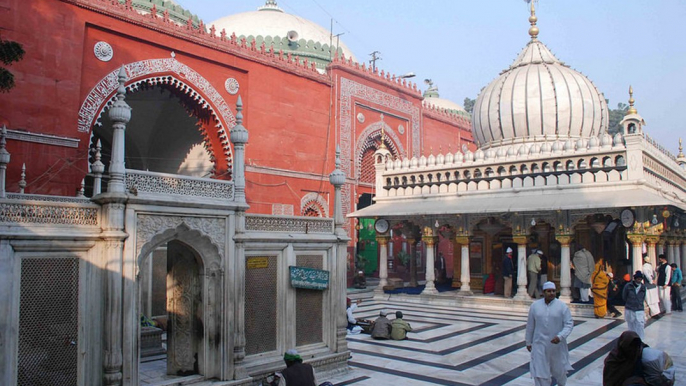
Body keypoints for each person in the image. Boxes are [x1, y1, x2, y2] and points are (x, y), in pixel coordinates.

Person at [525, 282, 574, 386]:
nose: (551, 293)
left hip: (557, 345)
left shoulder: (562, 306)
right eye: (549, 291)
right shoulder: (535, 306)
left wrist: (560, 336)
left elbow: (569, 324)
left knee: (559, 370)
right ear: (544, 292)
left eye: (553, 291)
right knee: (540, 370)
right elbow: (530, 325)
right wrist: (528, 341)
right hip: (539, 343)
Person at [622, 271, 647, 340]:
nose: (639, 280)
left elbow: (643, 297)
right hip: (630, 308)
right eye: (638, 279)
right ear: (635, 278)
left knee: (640, 324)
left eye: (640, 279)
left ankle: (641, 339)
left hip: (639, 309)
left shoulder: (643, 287)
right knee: (631, 325)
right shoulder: (628, 286)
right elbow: (624, 296)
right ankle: (632, 339)